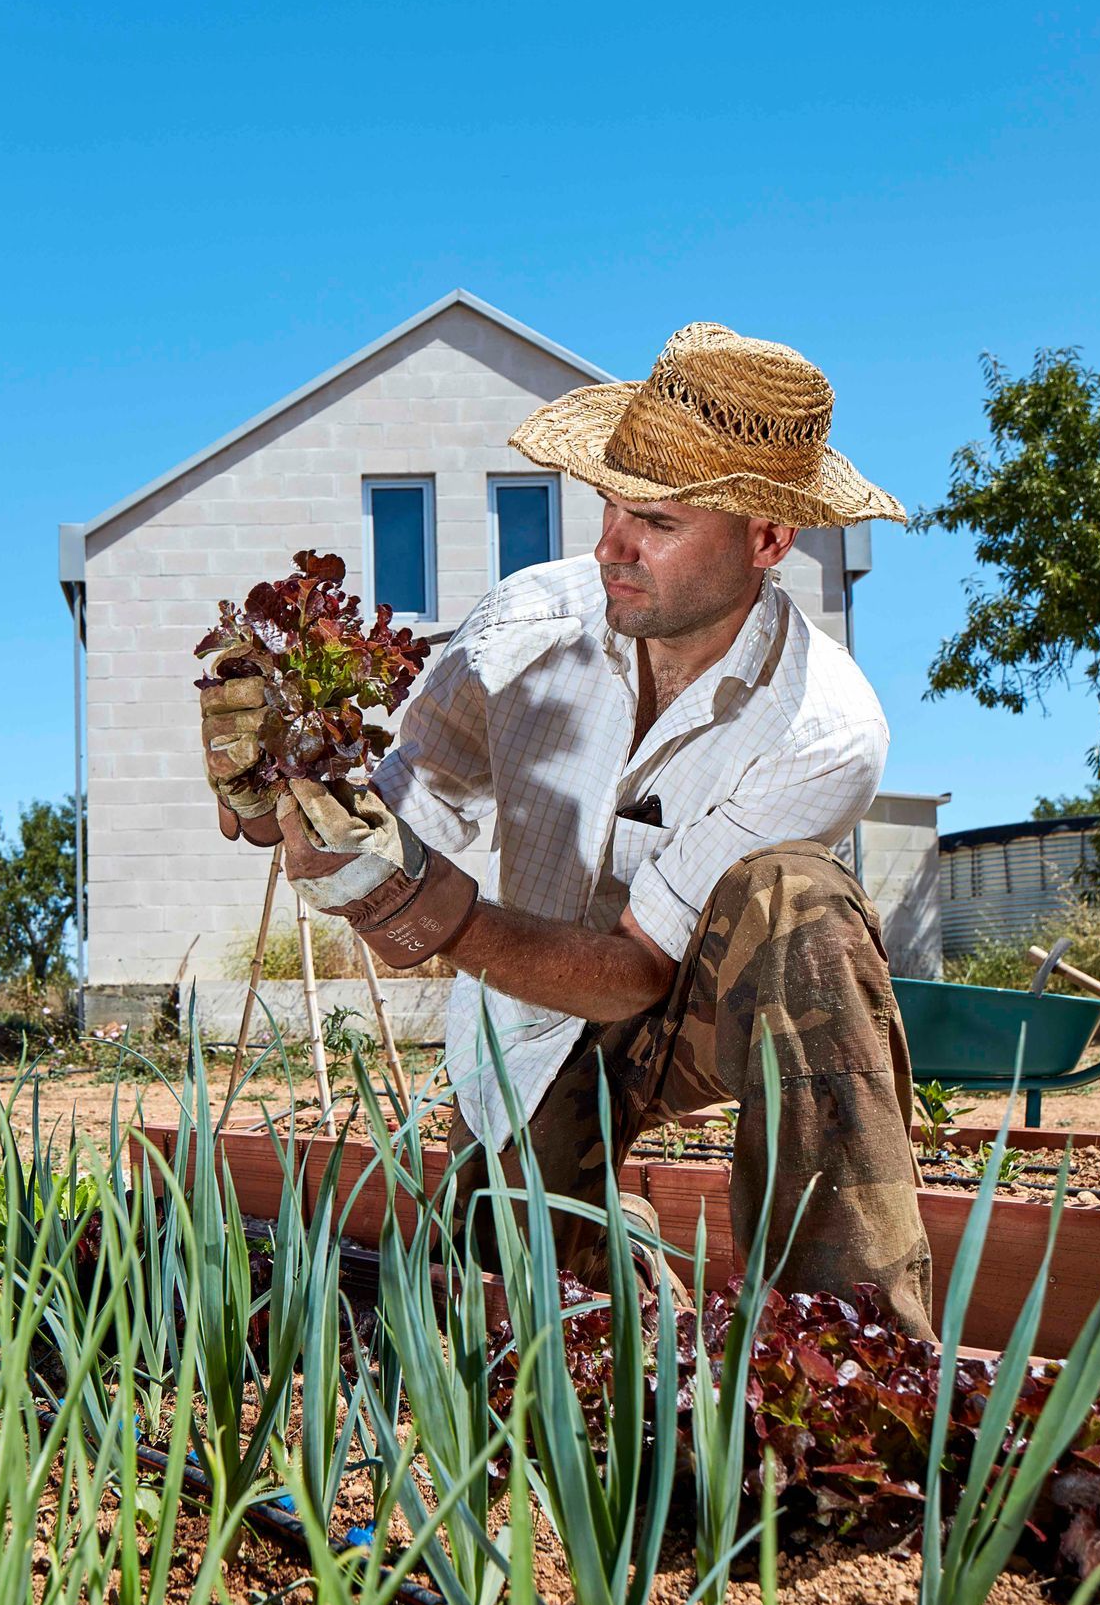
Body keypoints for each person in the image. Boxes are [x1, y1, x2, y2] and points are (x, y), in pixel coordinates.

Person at [199, 321, 933, 1339]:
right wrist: (270, 792)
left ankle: (848, 1350)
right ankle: (620, 1251)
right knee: (515, 1278)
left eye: (657, 523)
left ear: (768, 541)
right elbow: (393, 828)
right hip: (524, 1014)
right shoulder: (523, 629)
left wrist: (441, 918)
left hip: (691, 999)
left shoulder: (825, 728)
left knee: (802, 903)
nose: (609, 547)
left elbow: (636, 975)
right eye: (608, 505)